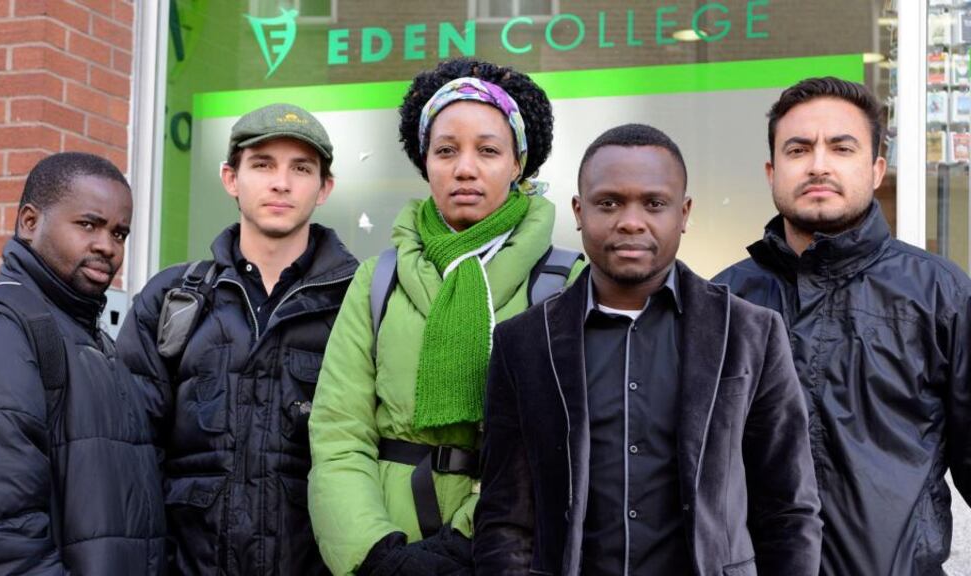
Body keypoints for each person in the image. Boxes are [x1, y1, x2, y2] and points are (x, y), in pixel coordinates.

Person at [475, 124, 823, 576]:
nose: (631, 221)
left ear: (684, 212)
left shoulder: (751, 334)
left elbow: (788, 508)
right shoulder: (522, 344)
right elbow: (505, 517)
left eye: (654, 203)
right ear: (580, 211)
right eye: (609, 203)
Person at [307, 58, 582, 576]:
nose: (465, 168)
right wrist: (374, 554)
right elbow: (339, 430)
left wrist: (467, 543)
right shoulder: (378, 278)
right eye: (446, 150)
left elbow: (562, 440)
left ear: (519, 163)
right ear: (425, 161)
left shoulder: (562, 281)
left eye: (488, 150)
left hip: (509, 546)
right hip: (385, 541)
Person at [713, 77, 971, 575]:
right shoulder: (723, 302)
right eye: (798, 148)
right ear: (772, 171)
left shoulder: (940, 294)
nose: (818, 165)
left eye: (841, 147)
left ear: (876, 169)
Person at [116, 103, 357, 575]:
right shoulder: (172, 299)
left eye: (301, 168)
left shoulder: (361, 304)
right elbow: (128, 456)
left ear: (324, 187)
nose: (281, 183)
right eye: (262, 164)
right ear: (231, 178)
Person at [0, 152, 165, 575]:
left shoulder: (85, 333)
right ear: (30, 222)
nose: (107, 246)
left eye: (120, 233)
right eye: (88, 224)